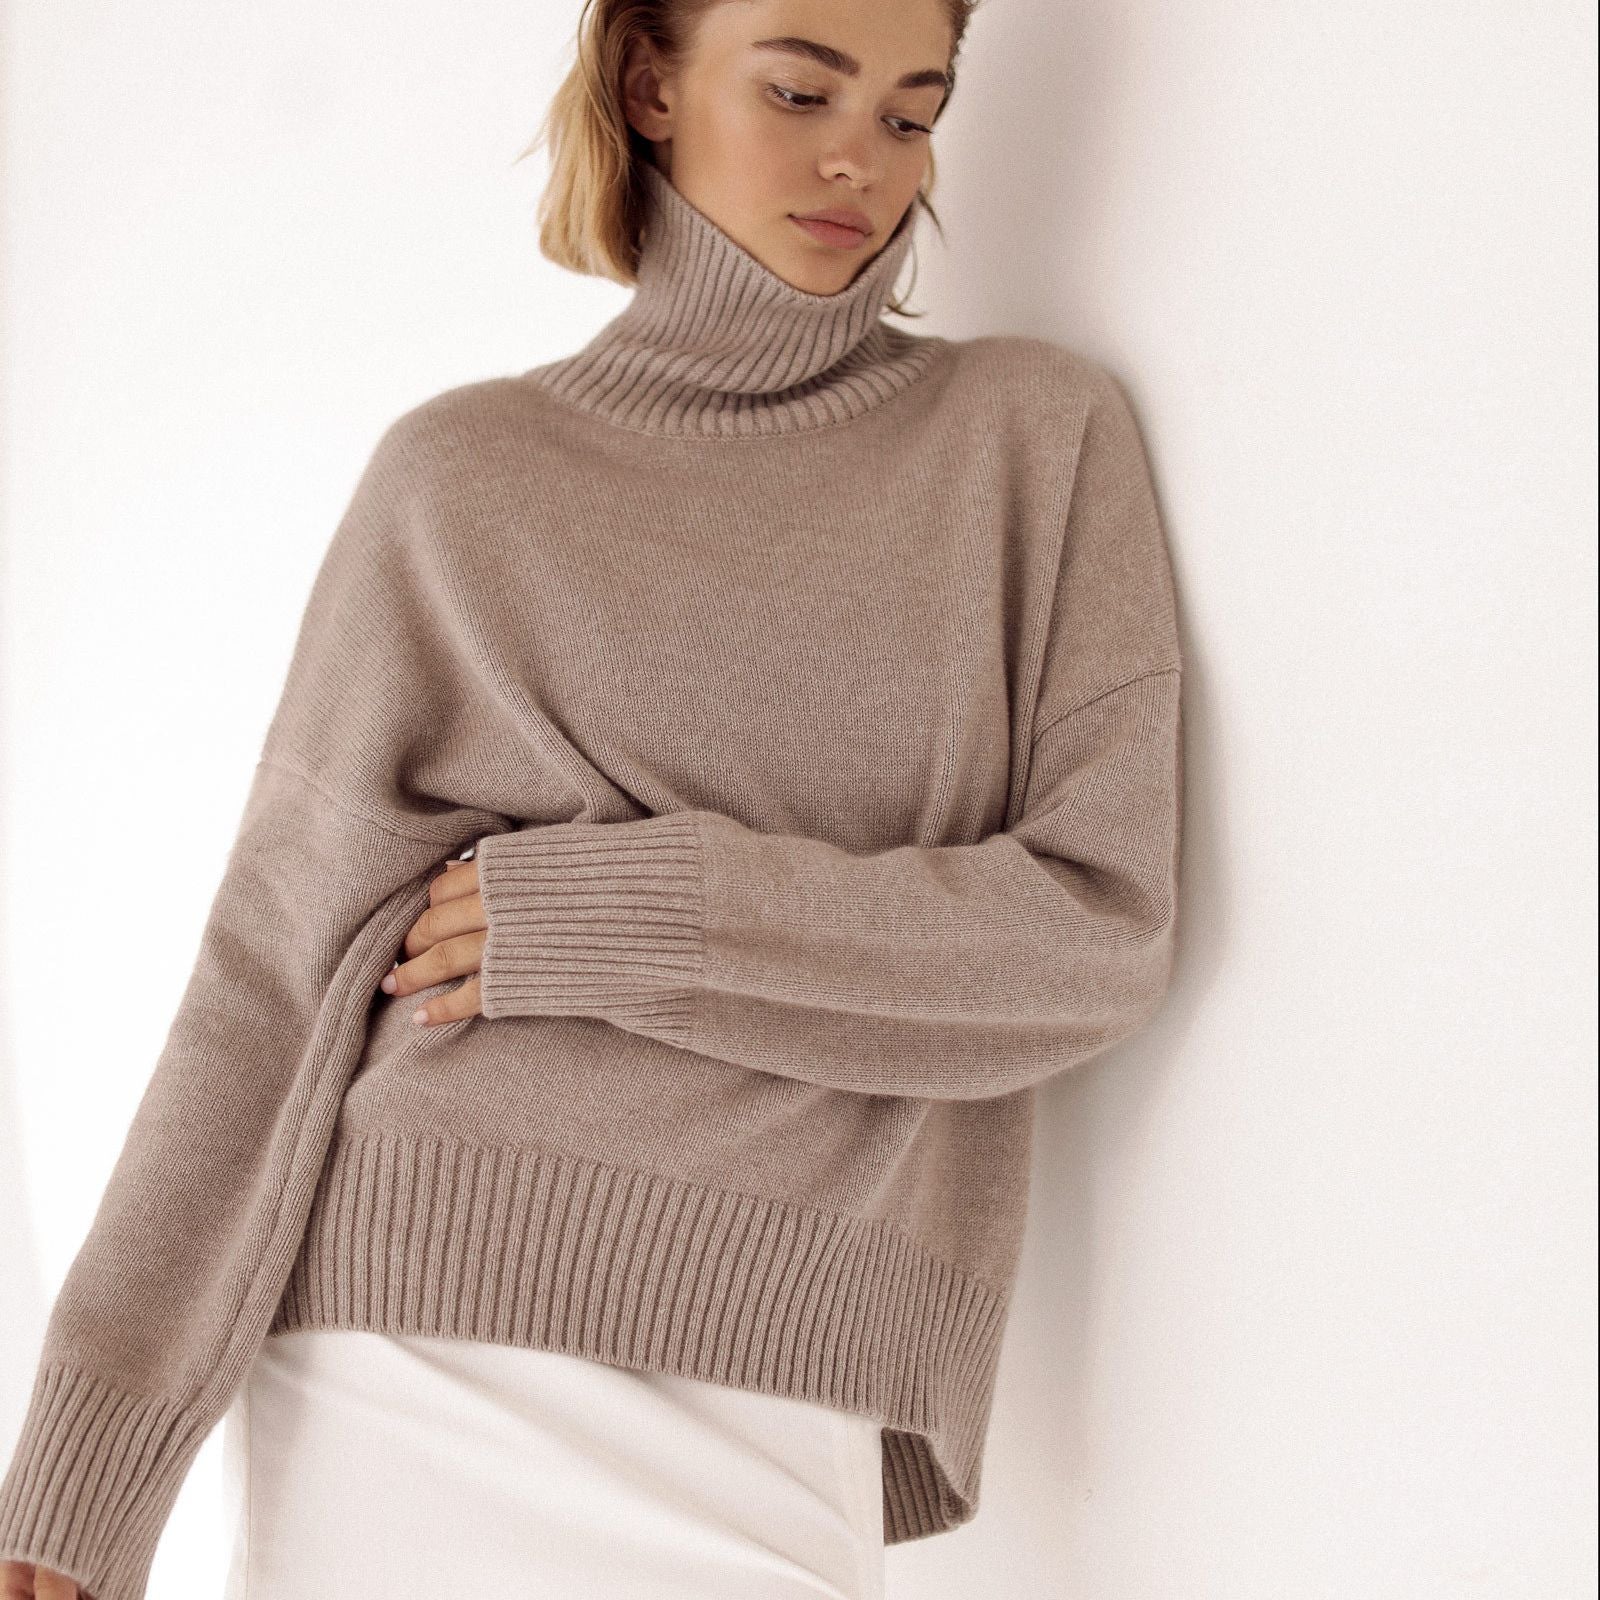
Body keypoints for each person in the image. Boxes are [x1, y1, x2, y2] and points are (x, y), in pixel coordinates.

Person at [0, 0, 1186, 1596]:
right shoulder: (459, 477)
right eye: (800, 89)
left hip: (791, 1374)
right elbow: (269, 979)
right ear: (648, 82)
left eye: (912, 113)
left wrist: (636, 918)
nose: (860, 156)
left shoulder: (1031, 439)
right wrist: (84, 1470)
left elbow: (1096, 936)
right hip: (411, 1345)